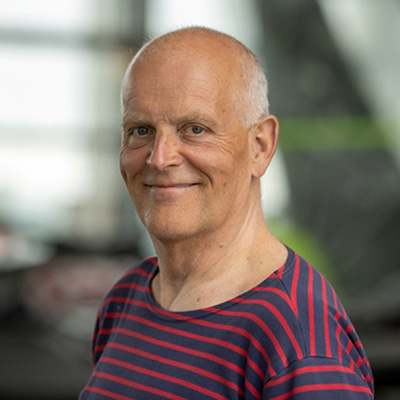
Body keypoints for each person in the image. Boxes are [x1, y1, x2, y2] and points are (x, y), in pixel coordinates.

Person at [79, 27, 374, 399]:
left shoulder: (298, 340)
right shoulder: (126, 299)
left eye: (195, 129)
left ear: (260, 146)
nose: (159, 158)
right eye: (141, 130)